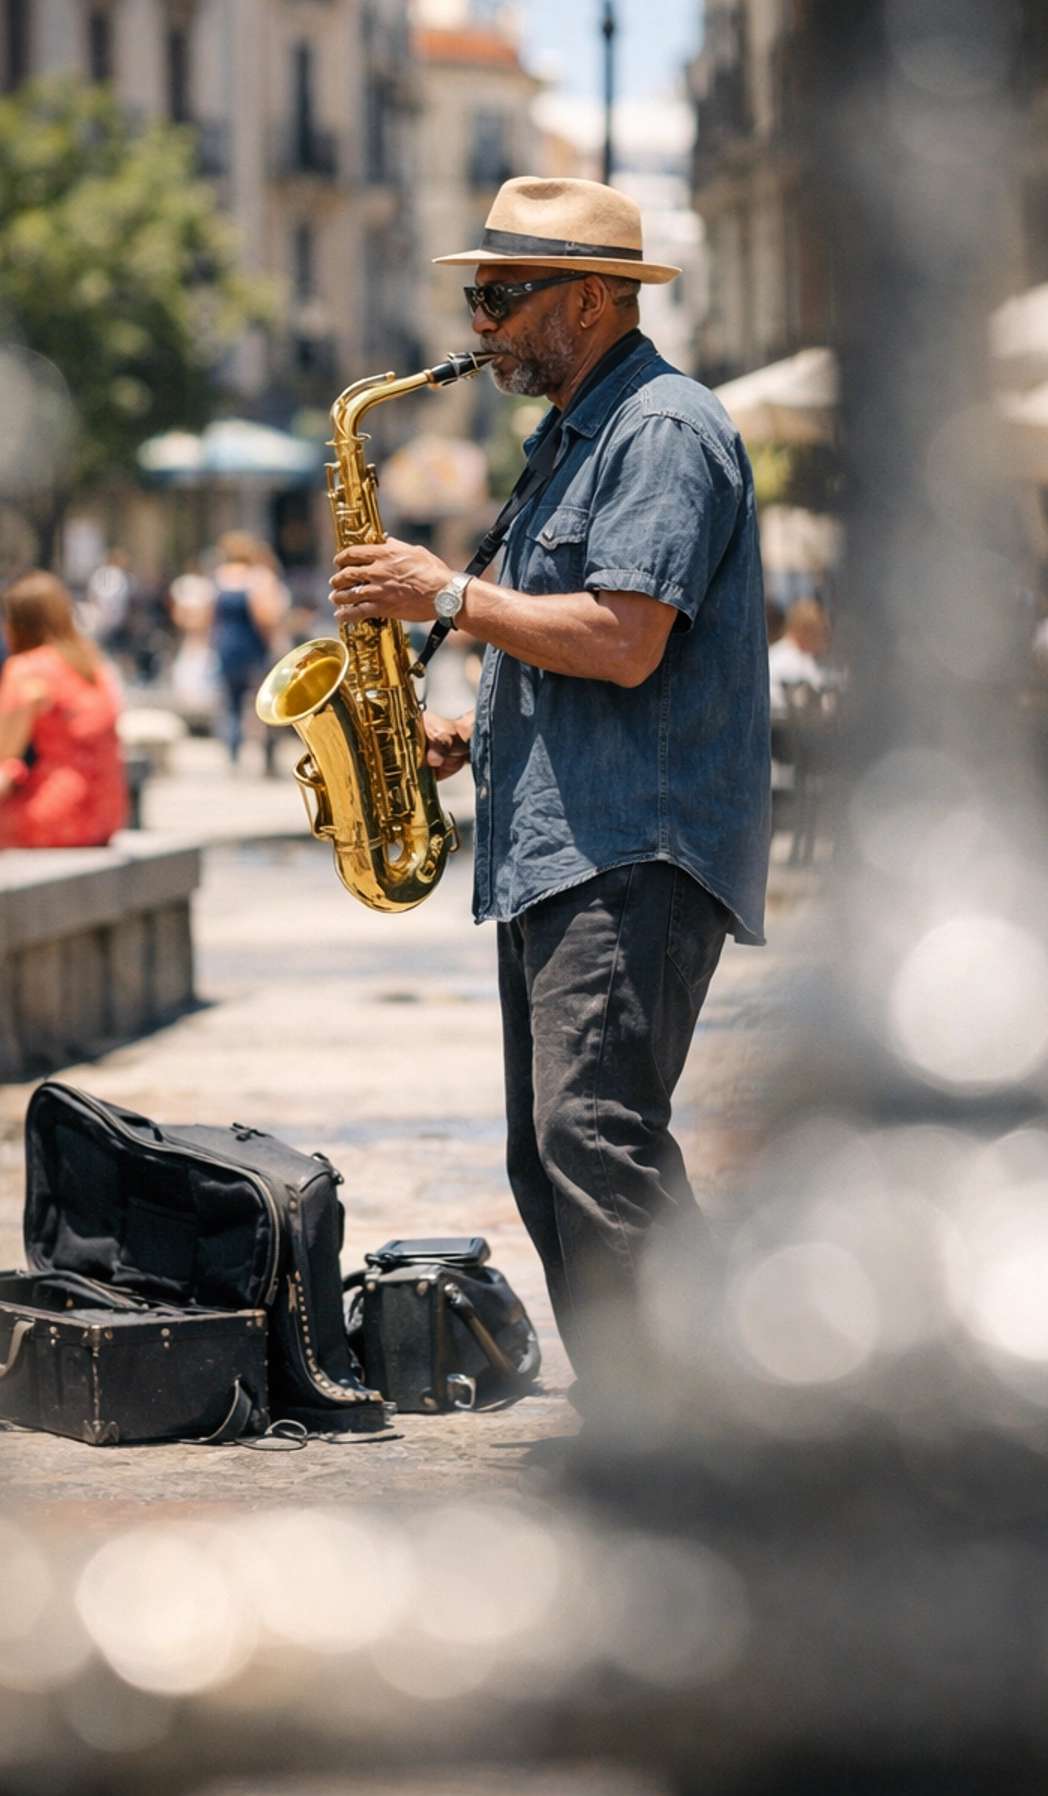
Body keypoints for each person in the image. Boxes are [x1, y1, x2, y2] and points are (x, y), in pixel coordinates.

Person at [330, 175, 771, 1403]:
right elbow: (586, 647)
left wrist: (448, 597)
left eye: (502, 296)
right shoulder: (578, 435)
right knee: (550, 1155)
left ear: (591, 298)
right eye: (477, 296)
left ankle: (695, 1417)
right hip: (565, 841)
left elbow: (627, 637)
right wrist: (479, 724)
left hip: (634, 848)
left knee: (596, 1141)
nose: (480, 324)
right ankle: (643, 1414)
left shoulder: (662, 430)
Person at [0, 570, 126, 854]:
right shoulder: (94, 664)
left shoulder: (28, 669)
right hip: (109, 815)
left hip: (59, 816)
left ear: (18, 623)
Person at [209, 532, 289, 770]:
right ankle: (268, 757)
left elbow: (210, 616)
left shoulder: (219, 577)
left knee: (231, 704)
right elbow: (263, 616)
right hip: (252, 647)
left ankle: (234, 756)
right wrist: (275, 641)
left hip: (226, 646)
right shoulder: (256, 578)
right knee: (265, 701)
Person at [767, 596, 833, 713]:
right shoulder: (775, 660)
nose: (824, 641)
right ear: (803, 630)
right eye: (819, 632)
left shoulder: (810, 658)